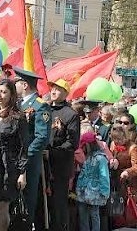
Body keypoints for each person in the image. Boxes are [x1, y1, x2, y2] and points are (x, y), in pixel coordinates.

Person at [0, 79, 27, 231]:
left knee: (2, 206)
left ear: (11, 95)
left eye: (4, 92)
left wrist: (22, 173)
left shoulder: (17, 118)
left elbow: (23, 147)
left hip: (8, 166)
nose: (0, 95)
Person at [14, 67, 51, 227]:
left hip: (28, 161)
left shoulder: (40, 105)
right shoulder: (17, 103)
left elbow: (41, 137)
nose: (13, 85)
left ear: (24, 85)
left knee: (26, 202)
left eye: (16, 82)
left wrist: (25, 155)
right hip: (13, 158)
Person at [46, 77, 79, 231]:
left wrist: (53, 152)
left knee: (58, 203)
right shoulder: (45, 110)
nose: (53, 91)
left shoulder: (71, 114)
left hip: (59, 167)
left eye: (58, 89)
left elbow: (72, 142)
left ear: (66, 93)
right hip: (43, 164)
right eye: (52, 88)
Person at [75, 131, 110, 231]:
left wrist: (105, 191)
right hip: (83, 191)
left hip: (94, 192)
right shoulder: (88, 157)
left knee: (94, 215)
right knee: (83, 216)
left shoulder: (101, 159)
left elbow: (104, 175)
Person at [109, 125, 137, 227]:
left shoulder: (133, 147)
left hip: (129, 185)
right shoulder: (113, 144)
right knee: (117, 213)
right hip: (117, 183)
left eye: (119, 139)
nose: (117, 141)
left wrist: (127, 172)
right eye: (115, 139)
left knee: (129, 214)